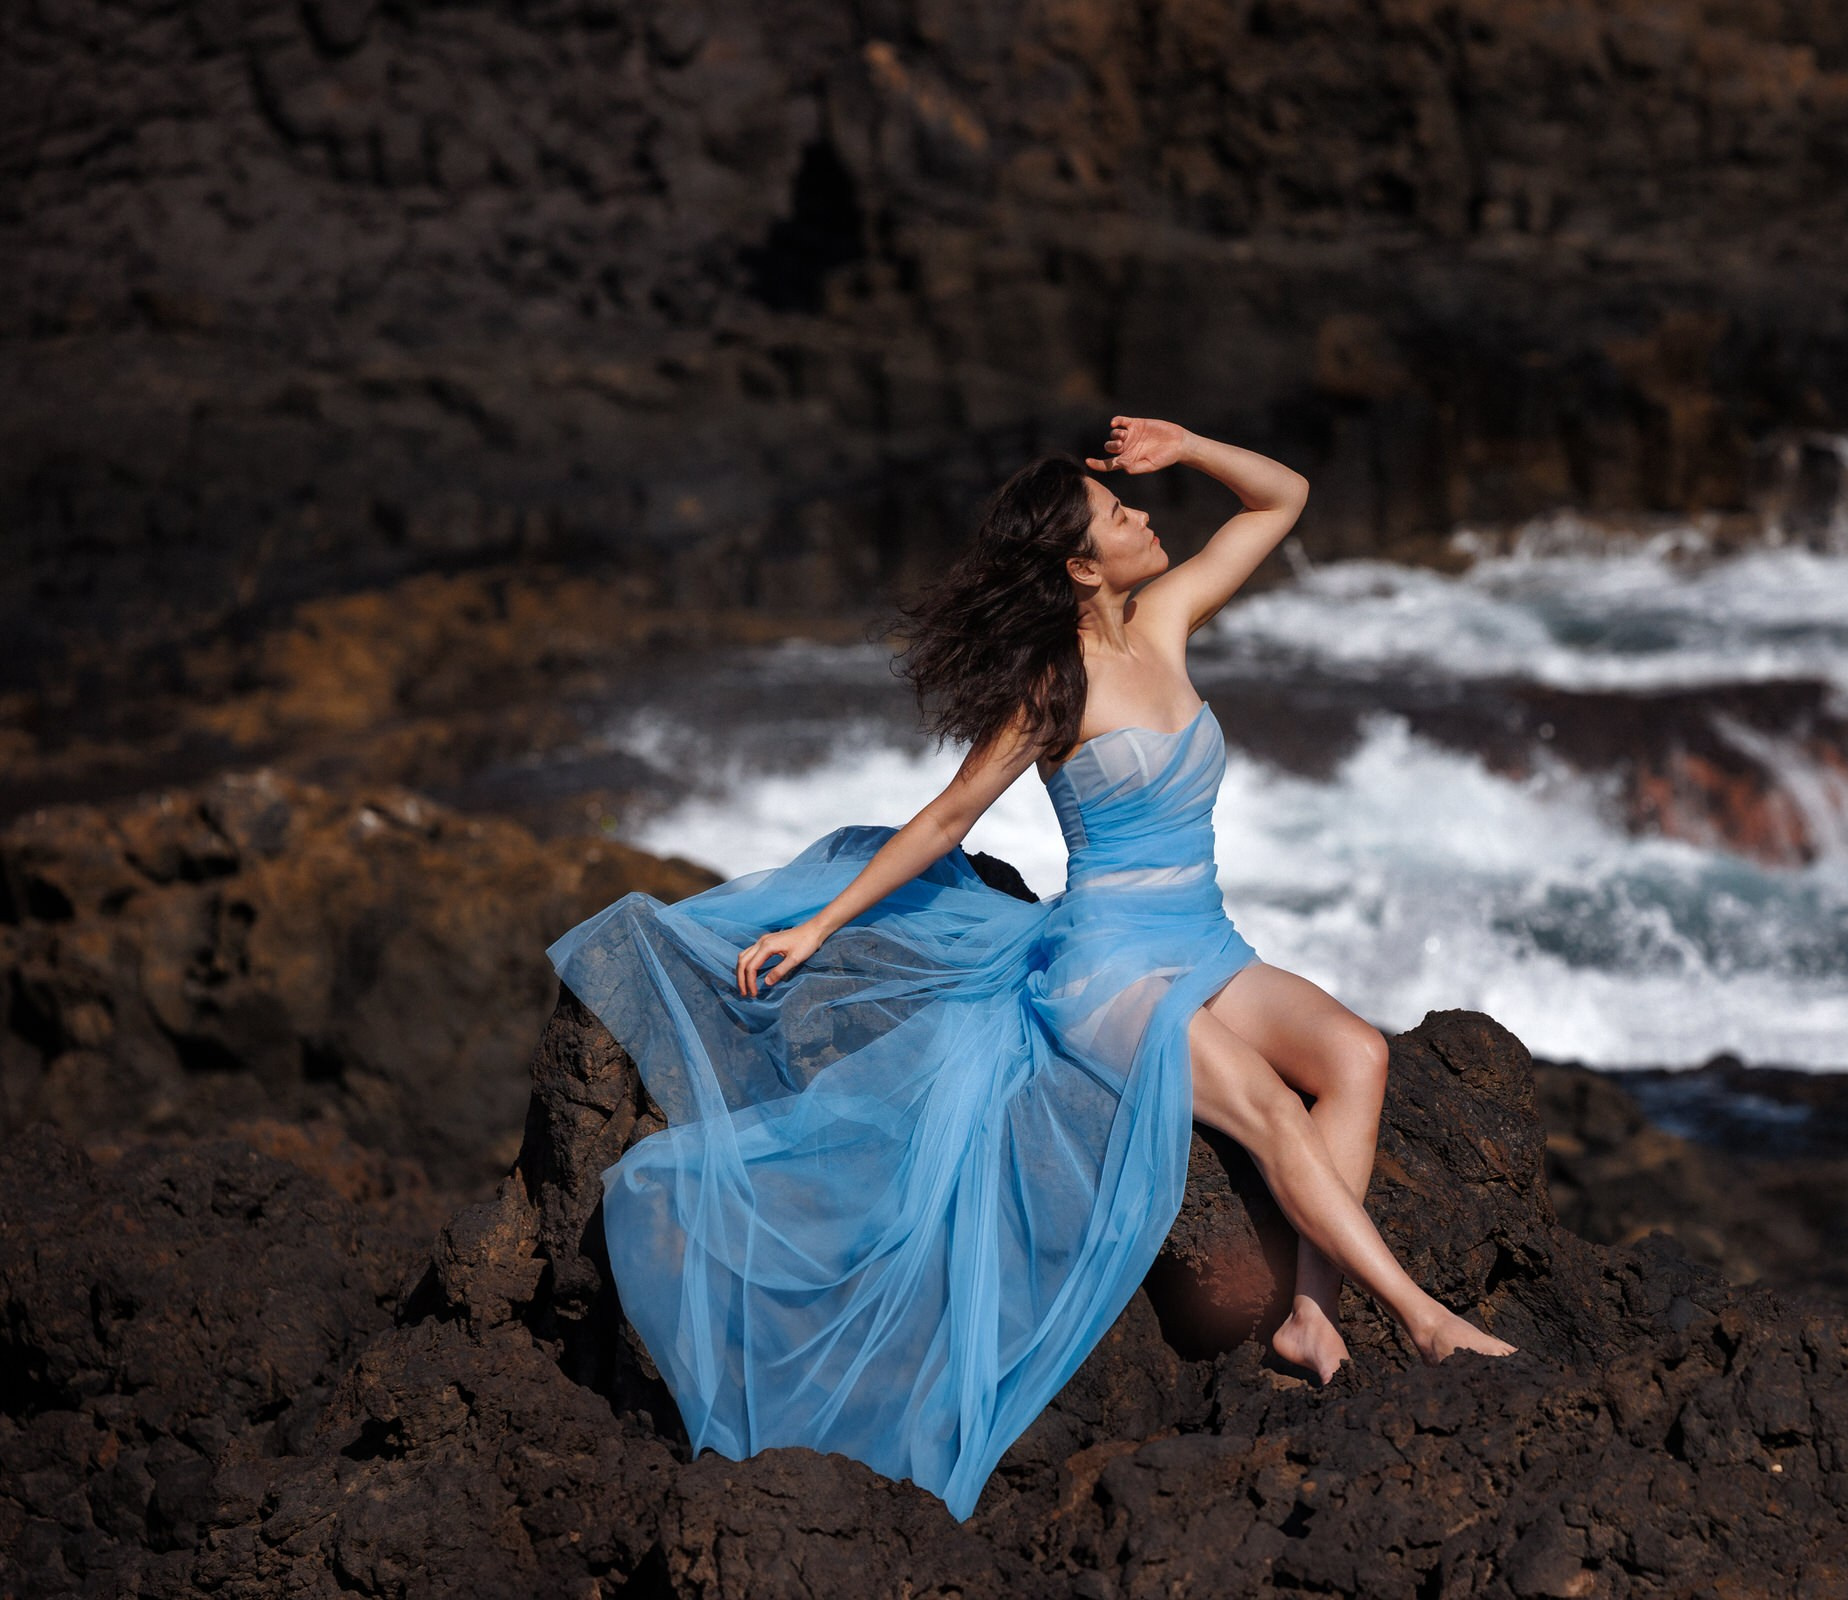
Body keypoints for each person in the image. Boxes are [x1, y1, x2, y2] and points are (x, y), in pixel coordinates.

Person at [545, 416, 1514, 1522]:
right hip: (1106, 969)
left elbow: (1283, 498)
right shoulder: (1052, 687)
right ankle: (1422, 1314)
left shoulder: (1168, 618)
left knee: (1358, 1055)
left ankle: (1311, 1313)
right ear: (1078, 566)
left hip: (1205, 940)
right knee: (1269, 1116)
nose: (1144, 515)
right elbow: (948, 815)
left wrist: (1184, 443)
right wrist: (816, 927)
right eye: (1119, 514)